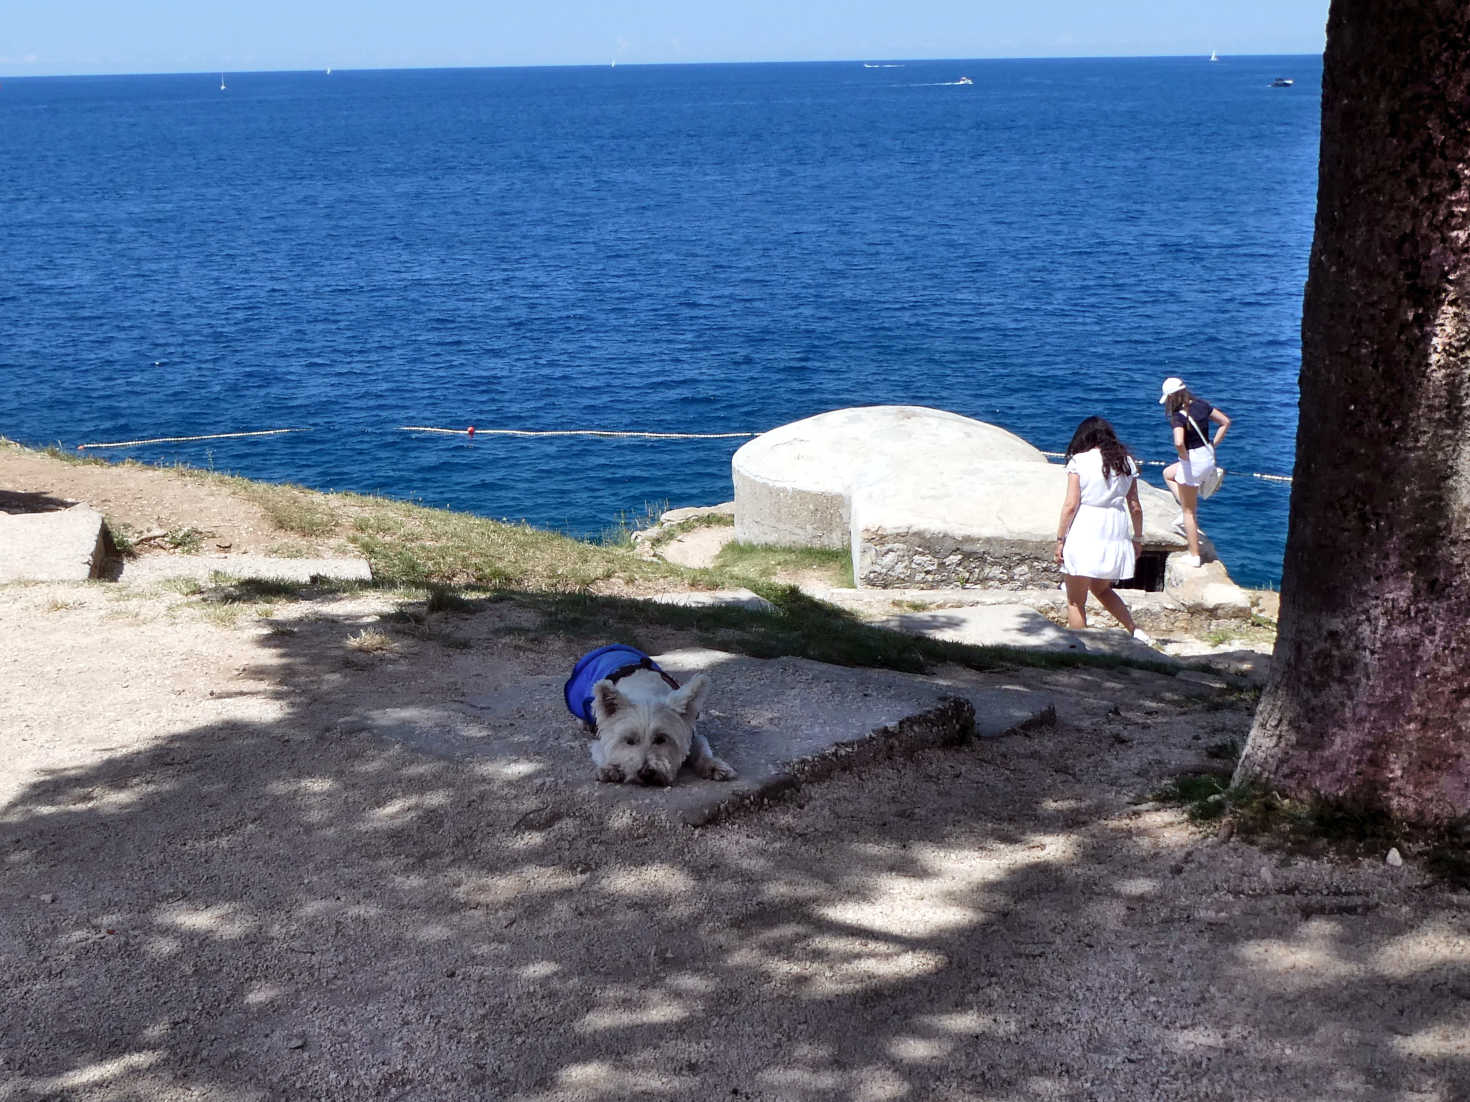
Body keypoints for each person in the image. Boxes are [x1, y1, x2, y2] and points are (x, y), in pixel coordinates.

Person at [1054, 416, 1152, 644]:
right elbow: (1135, 507)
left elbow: (1070, 505)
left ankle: (1078, 647)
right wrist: (1137, 538)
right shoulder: (1126, 462)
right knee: (1101, 588)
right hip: (1115, 526)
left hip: (1087, 525)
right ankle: (1134, 630)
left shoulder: (1080, 461)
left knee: (1076, 600)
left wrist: (1060, 539)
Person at [1158, 377, 1231, 568]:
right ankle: (1186, 499)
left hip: (1191, 462)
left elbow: (1179, 442)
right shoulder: (1201, 405)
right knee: (1168, 473)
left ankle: (1194, 555)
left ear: (1172, 397)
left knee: (1189, 512)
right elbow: (1225, 422)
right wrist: (1213, 444)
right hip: (1208, 457)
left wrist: (1183, 457)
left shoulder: (1178, 417)